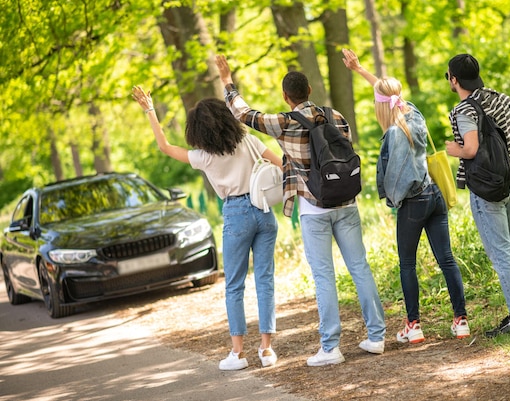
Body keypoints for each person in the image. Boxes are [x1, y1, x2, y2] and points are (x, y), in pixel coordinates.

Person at [215, 54, 386, 366]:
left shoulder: (284, 123)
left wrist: (227, 80)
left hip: (313, 208)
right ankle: (376, 336)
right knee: (360, 268)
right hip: (347, 202)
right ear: (309, 89)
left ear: (286, 96)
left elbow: (243, 114)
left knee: (324, 276)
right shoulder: (336, 116)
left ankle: (331, 348)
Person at [131, 87, 282, 370]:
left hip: (237, 215)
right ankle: (266, 350)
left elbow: (164, 147)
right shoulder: (247, 140)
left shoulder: (204, 156)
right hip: (263, 211)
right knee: (265, 281)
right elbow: (281, 164)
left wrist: (150, 110)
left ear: (198, 131)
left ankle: (238, 354)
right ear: (226, 119)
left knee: (234, 285)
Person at [342, 48, 470, 343]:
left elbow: (397, 179)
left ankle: (414, 326)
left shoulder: (393, 135)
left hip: (414, 203)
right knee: (447, 259)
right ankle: (461, 320)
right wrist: (360, 70)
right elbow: (388, 94)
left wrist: (393, 198)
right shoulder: (414, 115)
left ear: (380, 106)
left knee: (407, 265)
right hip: (435, 195)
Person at [443, 54, 510, 337]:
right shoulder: (500, 98)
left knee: (501, 252)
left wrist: (454, 150)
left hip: (486, 187)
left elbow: (471, 149)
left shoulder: (464, 109)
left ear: (454, 79)